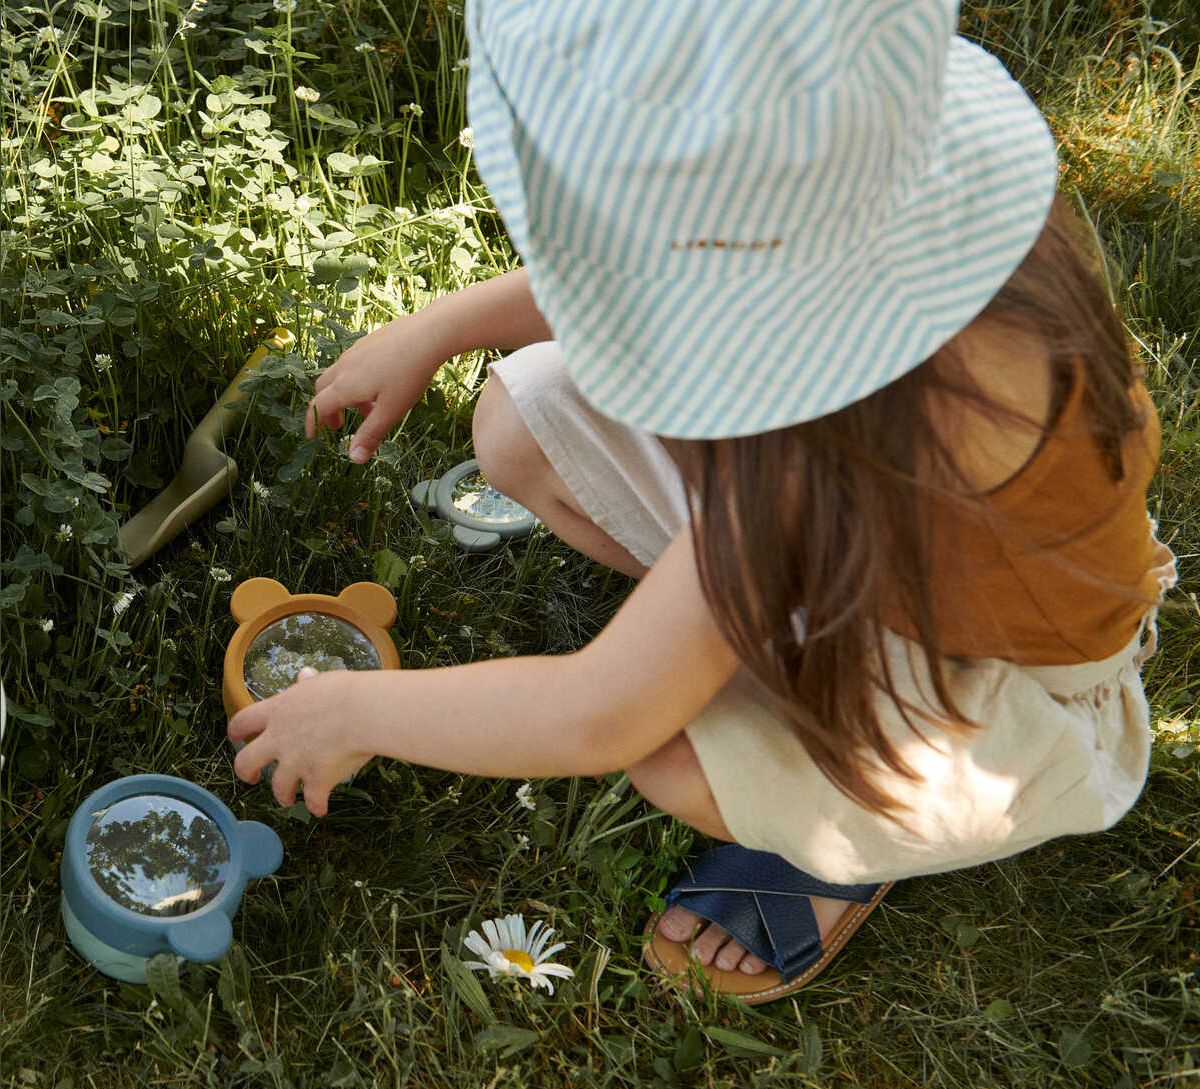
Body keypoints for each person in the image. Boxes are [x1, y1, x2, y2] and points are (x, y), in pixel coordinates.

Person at [228, 0, 1177, 1004]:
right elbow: (667, 260)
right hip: (884, 559)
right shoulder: (916, 214)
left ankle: (835, 840)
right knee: (522, 420)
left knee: (670, 758)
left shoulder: (828, 439)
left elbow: (595, 717)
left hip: (1002, 684)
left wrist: (355, 709)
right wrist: (442, 325)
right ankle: (741, 645)